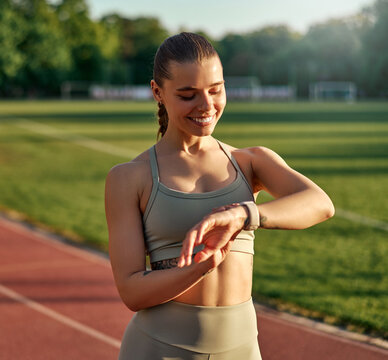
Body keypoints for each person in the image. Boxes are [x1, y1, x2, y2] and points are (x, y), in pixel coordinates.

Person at [104, 32, 335, 360]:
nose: (207, 106)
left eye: (216, 90)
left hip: (241, 349)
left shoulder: (250, 162)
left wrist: (244, 214)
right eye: (188, 95)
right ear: (158, 92)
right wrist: (201, 267)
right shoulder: (129, 177)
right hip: (159, 349)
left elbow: (320, 204)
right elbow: (131, 291)